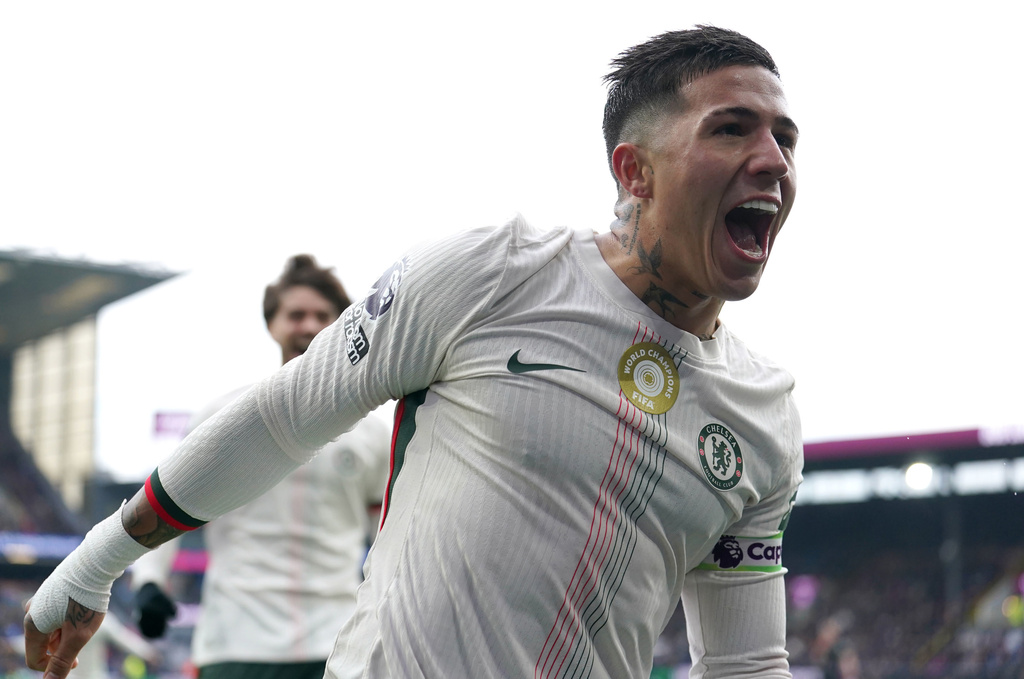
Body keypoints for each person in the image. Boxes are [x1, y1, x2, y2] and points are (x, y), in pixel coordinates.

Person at [26, 25, 804, 678]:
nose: (774, 159)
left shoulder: (763, 417)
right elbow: (281, 416)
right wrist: (96, 562)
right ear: (635, 170)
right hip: (253, 649)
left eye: (785, 138)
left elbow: (744, 662)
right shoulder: (492, 274)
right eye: (731, 128)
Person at [131, 254, 392, 679]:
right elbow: (162, 510)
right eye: (295, 314)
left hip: (337, 646)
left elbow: (388, 535)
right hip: (233, 646)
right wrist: (148, 582)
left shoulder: (372, 433)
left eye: (322, 315)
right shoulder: (223, 418)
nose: (308, 326)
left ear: (343, 325)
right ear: (272, 324)